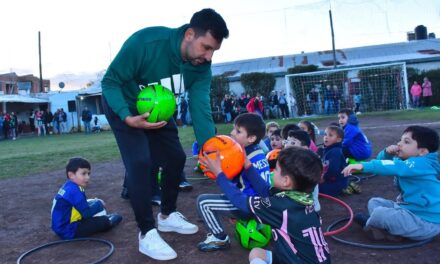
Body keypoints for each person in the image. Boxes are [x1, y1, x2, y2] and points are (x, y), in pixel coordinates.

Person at [100, 8, 229, 261]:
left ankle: (167, 215)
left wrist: (207, 148)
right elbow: (110, 82)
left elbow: (200, 105)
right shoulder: (146, 43)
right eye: (205, 47)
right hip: (123, 106)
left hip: (159, 110)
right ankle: (146, 233)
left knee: (176, 159)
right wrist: (128, 117)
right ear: (190, 34)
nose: (208, 56)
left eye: (214, 50)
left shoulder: (201, 66)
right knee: (140, 162)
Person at [200, 147, 330, 263]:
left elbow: (240, 201)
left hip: (298, 260)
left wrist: (219, 174)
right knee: (256, 253)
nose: (273, 172)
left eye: (277, 170)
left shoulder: (281, 206)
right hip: (306, 258)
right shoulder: (299, 197)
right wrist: (247, 164)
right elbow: (265, 190)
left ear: (286, 181)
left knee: (257, 254)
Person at [342, 126, 440, 241]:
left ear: (422, 151)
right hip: (410, 211)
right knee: (375, 202)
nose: (399, 144)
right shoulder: (407, 162)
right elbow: (385, 162)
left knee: (380, 213)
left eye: (406, 142)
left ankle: (372, 226)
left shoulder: (421, 164)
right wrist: (386, 153)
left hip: (425, 223)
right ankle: (386, 228)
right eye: (400, 140)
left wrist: (363, 166)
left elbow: (394, 167)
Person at [196, 113, 270, 251]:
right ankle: (239, 217)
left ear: (251, 138)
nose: (231, 133)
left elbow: (230, 182)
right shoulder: (258, 152)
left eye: (238, 131)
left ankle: (220, 239)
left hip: (248, 206)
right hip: (262, 205)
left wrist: (216, 169)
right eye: (233, 129)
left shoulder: (241, 156)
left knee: (203, 202)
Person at [51, 157, 122, 239]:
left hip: (59, 227)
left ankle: (104, 217)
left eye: (88, 174)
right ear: (71, 175)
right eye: (83, 174)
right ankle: (108, 220)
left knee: (91, 203)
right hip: (69, 230)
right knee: (104, 222)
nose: (87, 177)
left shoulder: (68, 186)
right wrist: (99, 204)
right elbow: (86, 214)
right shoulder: (74, 190)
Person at [284, 130, 321, 212]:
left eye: (293, 143)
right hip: (297, 203)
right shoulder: (290, 161)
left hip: (307, 207)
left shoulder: (308, 164)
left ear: (304, 148)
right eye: (286, 141)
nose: (287, 145)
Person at [319, 126, 348, 196]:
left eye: (330, 135)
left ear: (338, 140)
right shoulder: (328, 149)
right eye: (325, 134)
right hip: (330, 180)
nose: (326, 137)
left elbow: (333, 169)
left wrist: (324, 178)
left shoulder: (335, 151)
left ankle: (342, 190)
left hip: (336, 183)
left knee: (314, 189)